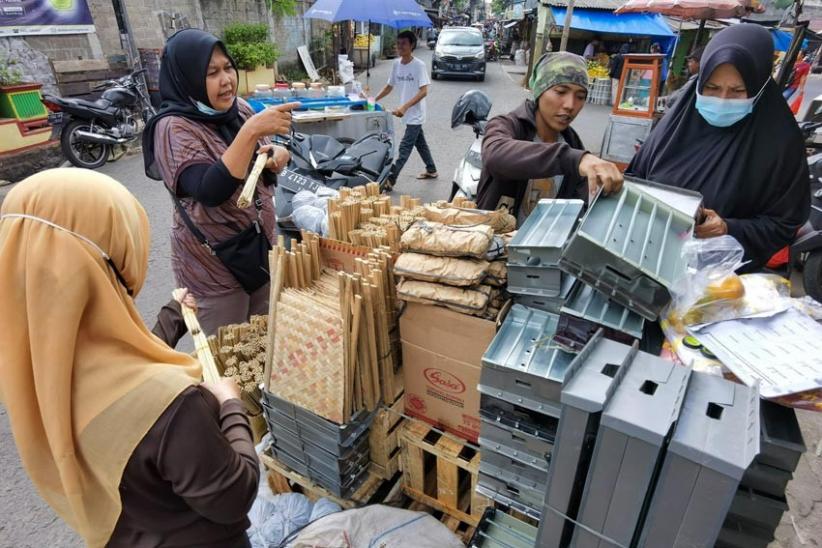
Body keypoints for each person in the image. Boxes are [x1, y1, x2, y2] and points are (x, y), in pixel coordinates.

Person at [0, 168, 259, 547]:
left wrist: (172, 316)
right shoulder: (172, 404)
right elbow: (233, 497)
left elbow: (123, 377)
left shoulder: (36, 371)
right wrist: (230, 403)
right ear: (110, 255)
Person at [142, 28, 296, 336]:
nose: (226, 80)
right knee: (227, 360)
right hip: (213, 269)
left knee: (262, 348)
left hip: (258, 251)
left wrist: (278, 154)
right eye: (211, 72)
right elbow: (209, 190)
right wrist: (250, 131)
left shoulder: (236, 108)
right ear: (186, 77)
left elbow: (261, 160)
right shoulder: (173, 127)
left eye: (228, 68)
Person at [628, 24, 809, 271]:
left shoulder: (781, 142)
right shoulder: (676, 123)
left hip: (718, 282)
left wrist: (728, 228)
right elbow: (634, 179)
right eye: (711, 88)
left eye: (737, 91)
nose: (722, 100)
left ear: (759, 87)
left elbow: (784, 223)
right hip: (646, 260)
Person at [477, 52, 624, 223]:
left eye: (580, 97)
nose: (570, 105)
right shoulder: (507, 125)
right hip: (493, 245)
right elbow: (496, 156)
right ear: (539, 90)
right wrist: (573, 160)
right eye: (561, 91)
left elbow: (580, 205)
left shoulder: (574, 145)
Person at [375, 30, 438, 190]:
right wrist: (373, 100)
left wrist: (405, 106)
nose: (399, 46)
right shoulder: (396, 64)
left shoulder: (419, 65)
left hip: (416, 114)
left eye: (403, 43)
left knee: (405, 147)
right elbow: (389, 86)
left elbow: (424, 91)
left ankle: (391, 178)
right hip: (407, 113)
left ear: (412, 45)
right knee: (420, 143)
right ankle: (431, 169)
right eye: (398, 43)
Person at [665, 46, 704, 111]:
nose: (688, 64)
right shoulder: (700, 78)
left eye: (691, 61)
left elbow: (673, 100)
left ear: (699, 63)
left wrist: (667, 99)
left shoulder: (696, 80)